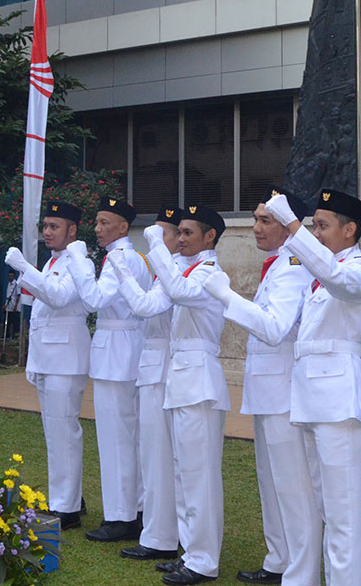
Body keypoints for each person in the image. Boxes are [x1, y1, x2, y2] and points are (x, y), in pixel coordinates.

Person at [260, 188, 361, 586]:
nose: (315, 233)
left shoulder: (358, 271)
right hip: (311, 403)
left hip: (339, 405)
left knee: (343, 515)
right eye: (313, 226)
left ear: (350, 231)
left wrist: (292, 226)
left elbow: (336, 277)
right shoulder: (317, 278)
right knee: (326, 507)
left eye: (322, 226)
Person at [202, 188, 319, 585]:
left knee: (293, 489)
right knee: (272, 485)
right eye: (255, 218)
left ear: (289, 227)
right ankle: (278, 561)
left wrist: (227, 296)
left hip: (286, 393)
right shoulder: (276, 264)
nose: (255, 227)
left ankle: (300, 571)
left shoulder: (294, 266)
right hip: (268, 391)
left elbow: (273, 329)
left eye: (265, 220)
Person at [113, 205, 229, 585]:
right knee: (183, 474)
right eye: (176, 233)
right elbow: (150, 306)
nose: (179, 240)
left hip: (199, 381)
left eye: (187, 233)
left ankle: (204, 560)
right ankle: (192, 554)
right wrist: (120, 271)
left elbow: (177, 292)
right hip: (182, 380)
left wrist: (154, 245)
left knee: (200, 477)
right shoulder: (187, 270)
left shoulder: (211, 274)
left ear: (210, 237)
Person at [64, 196, 151, 543]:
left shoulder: (120, 258)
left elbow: (94, 300)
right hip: (123, 352)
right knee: (128, 438)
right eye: (97, 223)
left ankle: (121, 516)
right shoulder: (129, 256)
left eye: (104, 223)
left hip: (117, 355)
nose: (97, 229)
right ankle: (138, 509)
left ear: (123, 227)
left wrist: (77, 259)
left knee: (116, 440)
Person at [4, 200, 91, 530]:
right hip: (50, 358)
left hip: (66, 360)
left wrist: (24, 267)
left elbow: (57, 297)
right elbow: (41, 314)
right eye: (46, 226)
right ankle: (70, 497)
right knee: (55, 432)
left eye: (55, 226)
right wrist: (33, 360)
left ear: (72, 230)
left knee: (64, 431)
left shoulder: (79, 263)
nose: (47, 232)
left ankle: (65, 507)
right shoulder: (54, 261)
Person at [111, 205, 183, 563]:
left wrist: (122, 270)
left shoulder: (176, 271)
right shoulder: (164, 271)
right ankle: (160, 532)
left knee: (159, 457)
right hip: (155, 367)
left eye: (166, 234)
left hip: (166, 369)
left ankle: (160, 536)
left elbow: (143, 307)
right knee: (153, 456)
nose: (159, 240)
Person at [4, 270, 21, 338]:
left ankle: (15, 336)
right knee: (7, 321)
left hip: (14, 307)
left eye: (11, 276)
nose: (10, 277)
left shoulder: (16, 284)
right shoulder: (8, 284)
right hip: (8, 306)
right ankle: (6, 335)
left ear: (14, 276)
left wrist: (16, 306)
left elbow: (18, 295)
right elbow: (8, 296)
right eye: (9, 276)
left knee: (15, 323)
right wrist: (5, 305)